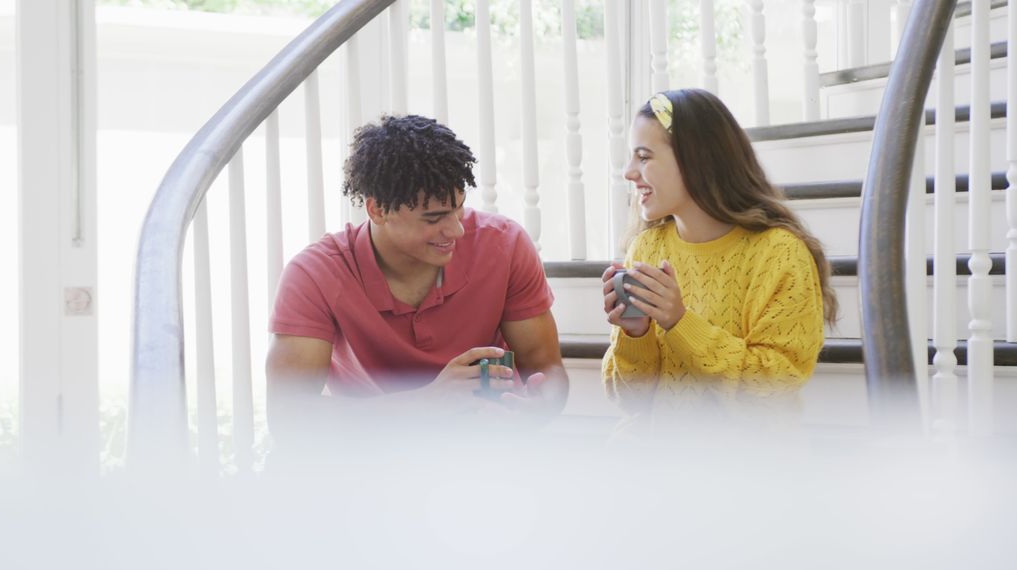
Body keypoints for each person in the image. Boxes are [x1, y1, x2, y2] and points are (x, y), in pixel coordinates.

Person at [266, 114, 568, 439]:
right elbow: (289, 415)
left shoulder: (505, 245)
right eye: (434, 218)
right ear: (378, 210)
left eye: (459, 208)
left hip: (486, 451)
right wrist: (428, 404)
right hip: (374, 459)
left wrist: (538, 407)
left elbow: (547, 369)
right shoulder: (314, 274)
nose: (456, 229)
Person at [601, 89, 838, 429]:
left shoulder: (780, 255)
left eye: (644, 157)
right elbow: (630, 401)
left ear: (694, 159)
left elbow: (773, 388)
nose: (628, 172)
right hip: (656, 463)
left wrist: (680, 323)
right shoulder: (645, 250)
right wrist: (634, 336)